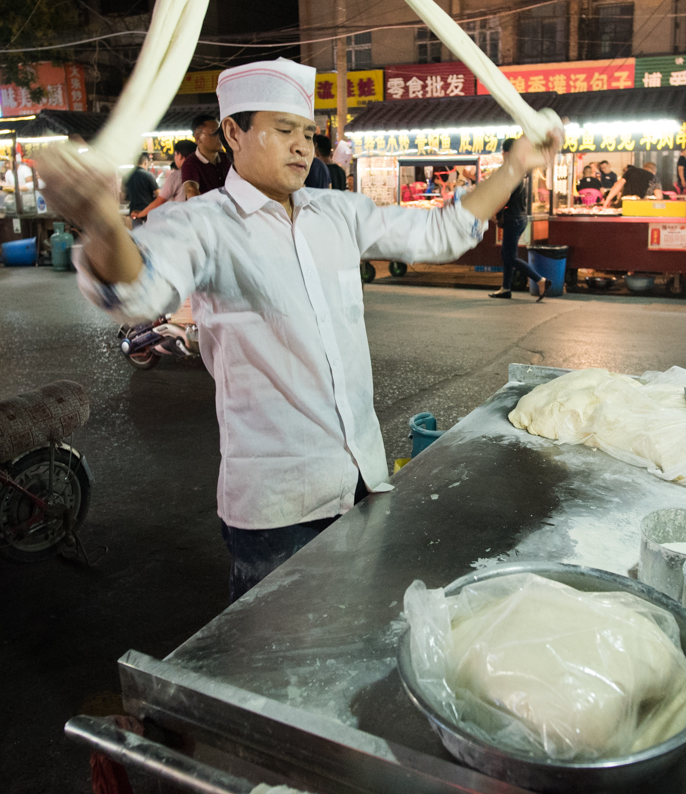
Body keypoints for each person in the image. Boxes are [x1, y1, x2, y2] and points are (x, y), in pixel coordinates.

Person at [40, 58, 561, 602]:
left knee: (355, 640)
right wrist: (100, 220)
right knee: (279, 665)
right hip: (276, 509)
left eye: (308, 133)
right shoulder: (201, 224)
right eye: (284, 130)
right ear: (234, 133)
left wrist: (516, 165)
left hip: (362, 482)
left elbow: (442, 231)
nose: (301, 146)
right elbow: (137, 288)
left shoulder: (337, 212)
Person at [489, 137, 553, 302]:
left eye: (503, 152)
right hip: (520, 217)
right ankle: (506, 288)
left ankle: (541, 280)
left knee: (510, 257)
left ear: (507, 152)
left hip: (514, 218)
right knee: (507, 254)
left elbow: (506, 195)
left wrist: (495, 213)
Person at [132, 140, 197, 221]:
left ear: (180, 155)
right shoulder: (201, 172)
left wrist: (140, 214)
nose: (175, 158)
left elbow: (160, 201)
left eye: (175, 155)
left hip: (181, 221)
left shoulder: (176, 176)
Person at [181, 113, 229, 196]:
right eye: (214, 133)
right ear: (197, 137)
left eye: (221, 132)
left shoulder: (227, 158)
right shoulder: (191, 164)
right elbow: (191, 189)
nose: (220, 137)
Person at [123, 153, 158, 228]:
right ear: (145, 162)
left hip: (134, 211)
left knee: (137, 233)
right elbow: (158, 193)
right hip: (148, 211)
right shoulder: (148, 175)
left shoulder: (127, 176)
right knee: (149, 233)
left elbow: (125, 196)